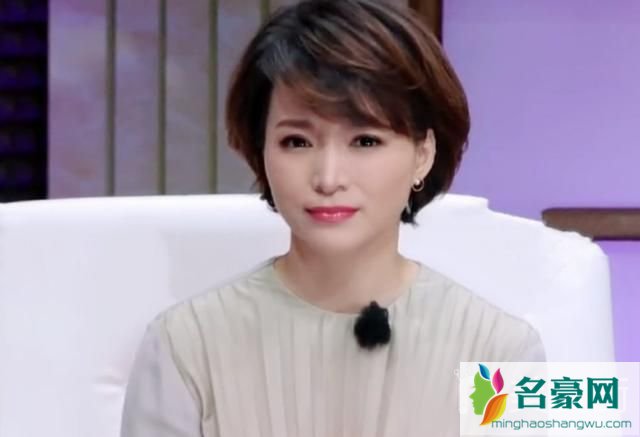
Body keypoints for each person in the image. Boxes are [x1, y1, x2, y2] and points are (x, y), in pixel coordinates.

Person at [120, 0, 545, 436]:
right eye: (297, 142)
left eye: (365, 141)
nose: (328, 178)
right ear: (260, 150)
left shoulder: (503, 350)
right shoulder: (184, 345)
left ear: (423, 154)